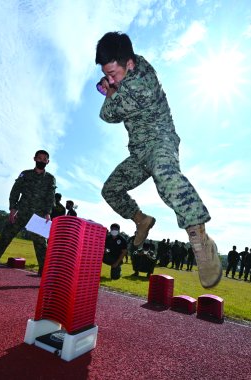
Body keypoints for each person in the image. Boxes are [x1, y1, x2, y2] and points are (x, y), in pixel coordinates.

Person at [95, 31, 221, 289]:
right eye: (106, 75)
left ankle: (200, 240)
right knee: (111, 190)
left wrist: (109, 93)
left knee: (165, 176)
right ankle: (141, 219)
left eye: (113, 74)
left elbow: (107, 115)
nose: (109, 79)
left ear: (129, 64)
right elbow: (110, 107)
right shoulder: (124, 78)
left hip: (160, 142)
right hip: (139, 154)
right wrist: (113, 87)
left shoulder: (141, 81)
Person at [0, 150, 56, 281]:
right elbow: (15, 191)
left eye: (44, 159)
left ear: (48, 162)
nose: (41, 161)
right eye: (39, 158)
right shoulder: (25, 174)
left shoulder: (50, 178)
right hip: (21, 213)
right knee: (4, 239)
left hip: (38, 217)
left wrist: (47, 213)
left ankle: (45, 274)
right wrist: (12, 209)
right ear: (34, 159)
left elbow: (50, 198)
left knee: (41, 245)